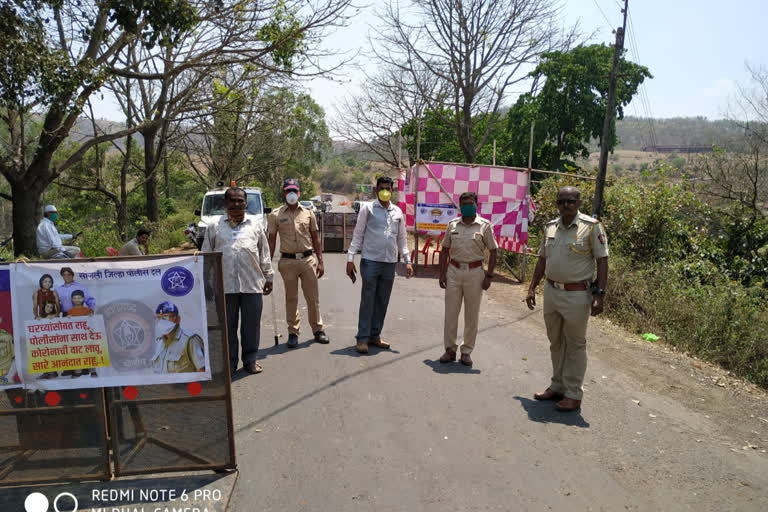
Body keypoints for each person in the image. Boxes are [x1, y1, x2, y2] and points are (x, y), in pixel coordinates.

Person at [526, 186, 609, 412]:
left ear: (579, 202)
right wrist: (532, 287)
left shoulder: (591, 227)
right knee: (556, 342)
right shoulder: (551, 227)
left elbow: (602, 261)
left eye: (570, 201)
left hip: (577, 295)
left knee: (575, 345)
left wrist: (599, 295)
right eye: (561, 202)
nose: (566, 206)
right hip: (552, 292)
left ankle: (573, 393)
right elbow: (542, 258)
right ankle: (557, 385)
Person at [202, 187, 273, 375]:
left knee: (251, 327)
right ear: (225, 203)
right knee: (228, 328)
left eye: (240, 200)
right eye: (232, 200)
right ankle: (230, 363)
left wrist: (269, 277)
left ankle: (250, 360)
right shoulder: (214, 227)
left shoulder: (255, 225)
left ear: (245, 203)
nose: (236, 204)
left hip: (252, 284)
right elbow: (206, 257)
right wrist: (206, 282)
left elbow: (264, 254)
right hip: (224, 286)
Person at [346, 176, 413, 354]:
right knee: (368, 300)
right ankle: (362, 338)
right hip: (370, 261)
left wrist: (407, 260)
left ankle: (375, 335)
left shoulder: (398, 212)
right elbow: (358, 234)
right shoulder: (367, 209)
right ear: (376, 190)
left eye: (388, 188)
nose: (385, 191)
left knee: (382, 300)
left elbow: (402, 238)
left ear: (392, 190)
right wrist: (350, 258)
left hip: (389, 263)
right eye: (382, 188)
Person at [438, 192, 498, 367]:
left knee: (471, 315)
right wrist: (442, 274)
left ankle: (466, 351)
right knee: (450, 313)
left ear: (476, 205)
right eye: (463, 203)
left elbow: (493, 251)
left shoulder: (485, 226)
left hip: (475, 273)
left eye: (470, 203)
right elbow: (444, 250)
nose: (467, 206)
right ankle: (449, 349)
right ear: (460, 206)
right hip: (454, 271)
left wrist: (490, 276)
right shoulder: (452, 225)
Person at [267, 178, 329, 348]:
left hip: (308, 260)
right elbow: (271, 240)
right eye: (288, 191)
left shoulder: (308, 213)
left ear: (299, 193)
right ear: (284, 193)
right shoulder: (275, 215)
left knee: (312, 297)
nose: (291, 194)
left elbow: (316, 239)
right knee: (291, 298)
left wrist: (321, 261)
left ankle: (318, 330)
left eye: (294, 191)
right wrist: (267, 265)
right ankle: (293, 332)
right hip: (287, 262)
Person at [150, 301, 205, 373]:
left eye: (166, 317)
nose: (161, 321)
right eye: (158, 318)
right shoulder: (158, 342)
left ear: (178, 319)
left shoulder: (190, 340)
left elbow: (202, 372)